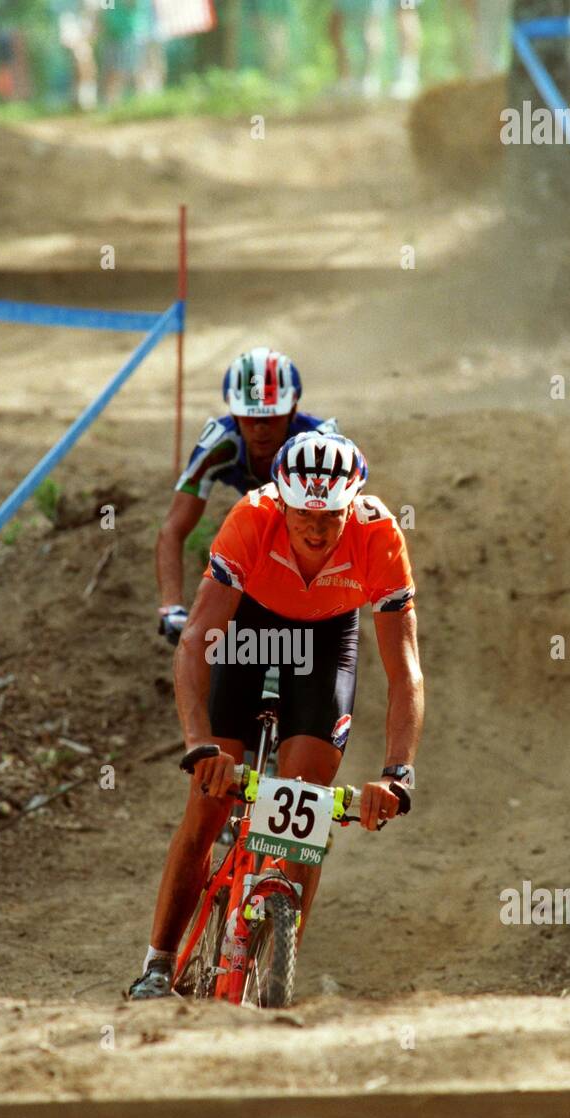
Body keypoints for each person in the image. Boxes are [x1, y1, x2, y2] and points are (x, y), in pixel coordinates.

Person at [129, 430, 424, 999]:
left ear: (353, 505)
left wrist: (397, 772)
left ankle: (276, 969)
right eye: (303, 515)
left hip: (326, 643)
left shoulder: (379, 533)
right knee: (210, 802)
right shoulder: (251, 517)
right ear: (279, 500)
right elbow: (195, 641)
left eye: (331, 517)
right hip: (249, 630)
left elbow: (404, 669)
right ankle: (158, 964)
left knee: (307, 799)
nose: (316, 529)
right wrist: (200, 744)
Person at [156, 347, 339, 645]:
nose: (260, 429)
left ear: (292, 411)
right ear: (234, 414)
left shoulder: (320, 445)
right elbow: (173, 529)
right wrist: (171, 604)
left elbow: (344, 527)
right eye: (249, 418)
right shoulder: (219, 444)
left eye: (272, 417)